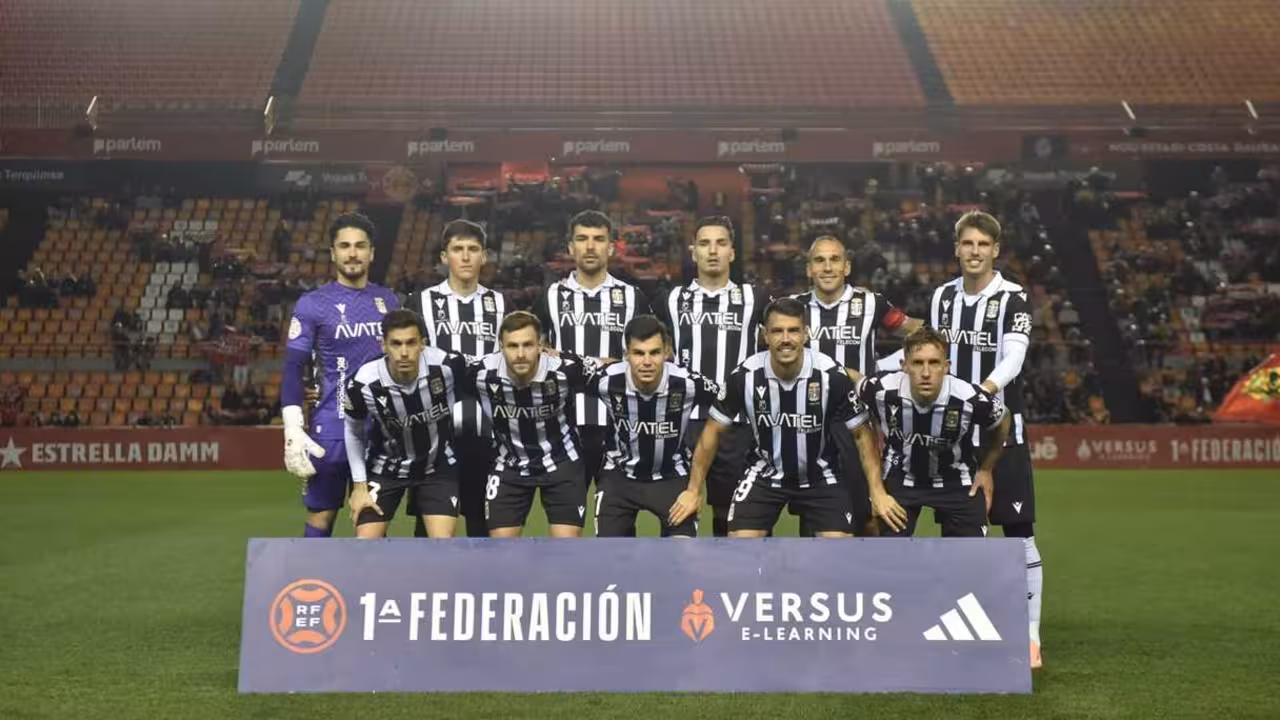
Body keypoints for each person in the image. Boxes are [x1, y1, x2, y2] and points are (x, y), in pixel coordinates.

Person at [880, 210, 1043, 668]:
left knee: (1017, 532)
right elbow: (921, 356)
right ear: (956, 248)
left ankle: (1029, 635)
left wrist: (981, 396)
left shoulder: (1013, 298)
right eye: (966, 244)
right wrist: (871, 373)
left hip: (997, 427)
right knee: (948, 532)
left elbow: (1014, 358)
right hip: (943, 432)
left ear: (996, 250)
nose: (974, 252)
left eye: (982, 245)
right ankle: (925, 626)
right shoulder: (942, 298)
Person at [691, 298, 880, 538]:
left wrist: (878, 493)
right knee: (740, 546)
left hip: (821, 476)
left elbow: (862, 434)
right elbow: (712, 430)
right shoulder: (745, 376)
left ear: (806, 334)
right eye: (777, 331)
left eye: (793, 330)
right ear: (765, 336)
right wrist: (693, 490)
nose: (786, 339)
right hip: (765, 475)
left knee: (837, 550)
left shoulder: (832, 376)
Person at [792, 234, 923, 537]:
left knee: (867, 518)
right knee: (814, 519)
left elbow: (917, 330)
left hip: (858, 426)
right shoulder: (793, 309)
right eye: (819, 261)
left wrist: (882, 372)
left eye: (834, 260)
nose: (827, 267)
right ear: (809, 269)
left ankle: (865, 583)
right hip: (806, 426)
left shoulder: (870, 303)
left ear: (847, 267)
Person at [281, 211, 400, 538]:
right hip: (331, 427)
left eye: (360, 246)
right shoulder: (313, 304)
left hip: (381, 432)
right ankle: (312, 587)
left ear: (372, 252)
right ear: (333, 253)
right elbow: (293, 367)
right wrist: (292, 428)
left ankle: (366, 589)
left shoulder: (388, 301)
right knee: (321, 517)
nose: (352, 253)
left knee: (372, 524)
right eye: (344, 246)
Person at [533, 210, 651, 505]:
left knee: (617, 525)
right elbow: (531, 352)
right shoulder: (550, 296)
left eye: (598, 239)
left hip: (619, 427)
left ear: (611, 248)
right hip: (563, 426)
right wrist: (603, 363)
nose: (590, 246)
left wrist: (570, 359)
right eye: (582, 239)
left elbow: (652, 357)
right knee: (567, 523)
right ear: (570, 248)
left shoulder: (633, 297)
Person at [657, 215, 763, 537]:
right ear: (693, 252)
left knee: (730, 514)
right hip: (684, 421)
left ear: (732, 252)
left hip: (738, 424)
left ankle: (728, 581)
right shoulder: (670, 300)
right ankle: (680, 580)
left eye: (721, 243)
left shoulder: (755, 299)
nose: (712, 251)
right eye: (704, 244)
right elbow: (647, 348)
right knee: (676, 511)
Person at [404, 219, 506, 539]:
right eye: (457, 249)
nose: (465, 257)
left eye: (472, 250)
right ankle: (425, 589)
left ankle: (483, 588)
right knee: (429, 526)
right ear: (443, 256)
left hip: (486, 432)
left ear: (484, 257)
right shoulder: (419, 303)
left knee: (481, 522)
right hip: (434, 435)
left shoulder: (501, 304)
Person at [858, 327, 1011, 539]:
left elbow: (1003, 419)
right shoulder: (881, 389)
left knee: (971, 562)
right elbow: (850, 377)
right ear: (904, 366)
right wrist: (876, 492)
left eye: (934, 363)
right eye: (918, 363)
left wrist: (986, 468)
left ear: (946, 367)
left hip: (957, 482)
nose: (926, 373)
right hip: (901, 478)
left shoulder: (969, 398)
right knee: (889, 560)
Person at [464, 311, 600, 538]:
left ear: (541, 346)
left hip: (562, 462)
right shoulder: (479, 372)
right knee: (502, 551)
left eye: (528, 345)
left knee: (567, 549)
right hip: (509, 464)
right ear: (500, 346)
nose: (520, 354)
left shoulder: (565, 369)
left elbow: (613, 371)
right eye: (512, 346)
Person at [586, 315, 718, 538]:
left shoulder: (689, 384)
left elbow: (724, 410)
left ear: (666, 352)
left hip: (672, 477)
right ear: (626, 354)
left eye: (654, 353)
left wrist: (695, 490)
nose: (647, 362)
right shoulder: (605, 380)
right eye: (638, 353)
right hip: (620, 477)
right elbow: (565, 376)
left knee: (681, 557)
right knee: (608, 559)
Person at [343, 309, 468, 538]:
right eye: (396, 344)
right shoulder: (362, 383)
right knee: (364, 544)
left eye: (411, 343)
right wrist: (359, 487)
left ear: (423, 344)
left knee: (443, 544)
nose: (403, 353)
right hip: (385, 467)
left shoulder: (448, 366)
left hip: (436, 466)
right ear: (383, 346)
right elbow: (353, 431)